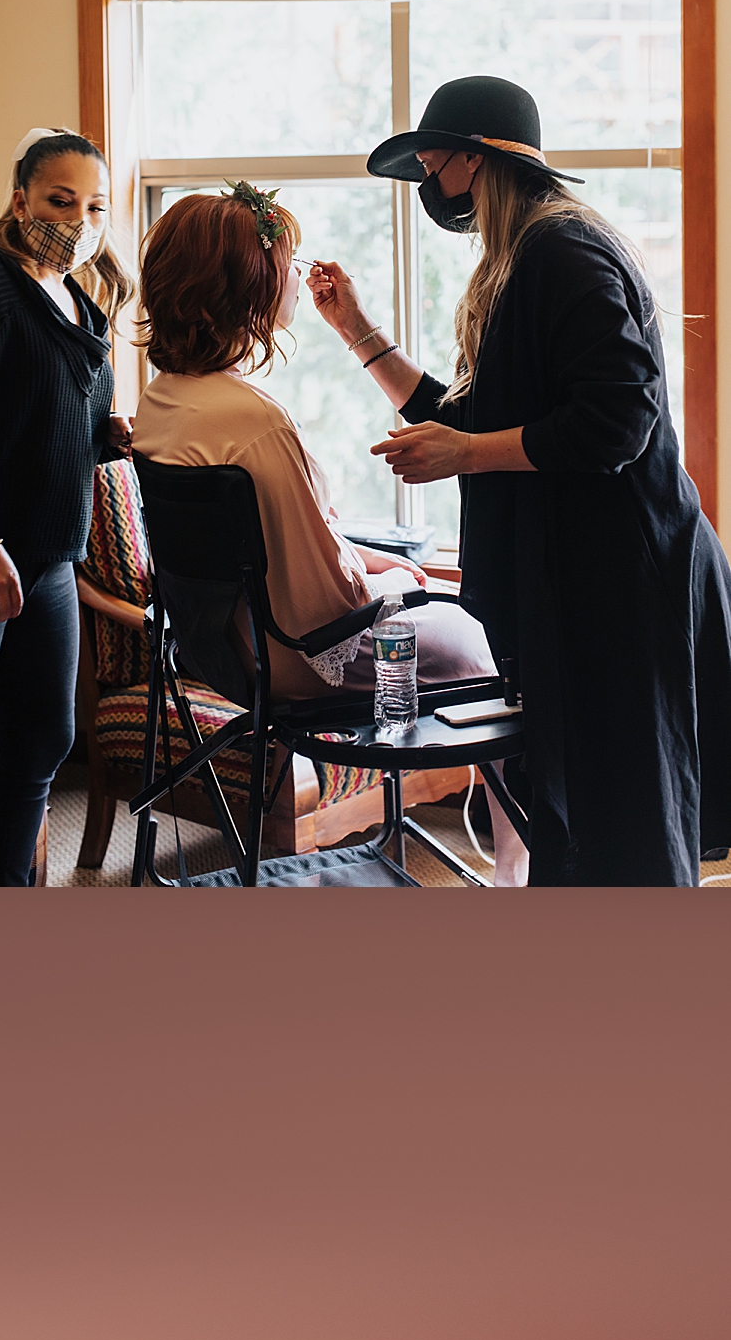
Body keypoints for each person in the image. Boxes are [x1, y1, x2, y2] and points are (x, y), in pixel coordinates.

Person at [312, 74, 731, 887]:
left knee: (626, 826)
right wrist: (357, 331)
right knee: (580, 821)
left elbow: (617, 422)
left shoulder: (562, 251)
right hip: (585, 579)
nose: (429, 183)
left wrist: (464, 455)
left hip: (627, 581)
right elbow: (469, 416)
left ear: (478, 160)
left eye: (432, 163)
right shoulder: (525, 257)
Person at [131, 183, 528, 884]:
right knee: (488, 644)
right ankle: (515, 865)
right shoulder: (256, 423)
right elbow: (326, 606)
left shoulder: (161, 402)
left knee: (415, 585)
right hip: (292, 660)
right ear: (247, 288)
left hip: (215, 648)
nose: (295, 274)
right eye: (285, 263)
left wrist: (376, 565)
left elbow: (279, 553)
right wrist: (402, 580)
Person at [0, 127, 134, 885]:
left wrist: (111, 434)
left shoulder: (81, 299)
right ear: (20, 199)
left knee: (43, 742)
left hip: (54, 559)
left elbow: (58, 416)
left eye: (95, 206)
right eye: (60, 201)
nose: (78, 222)